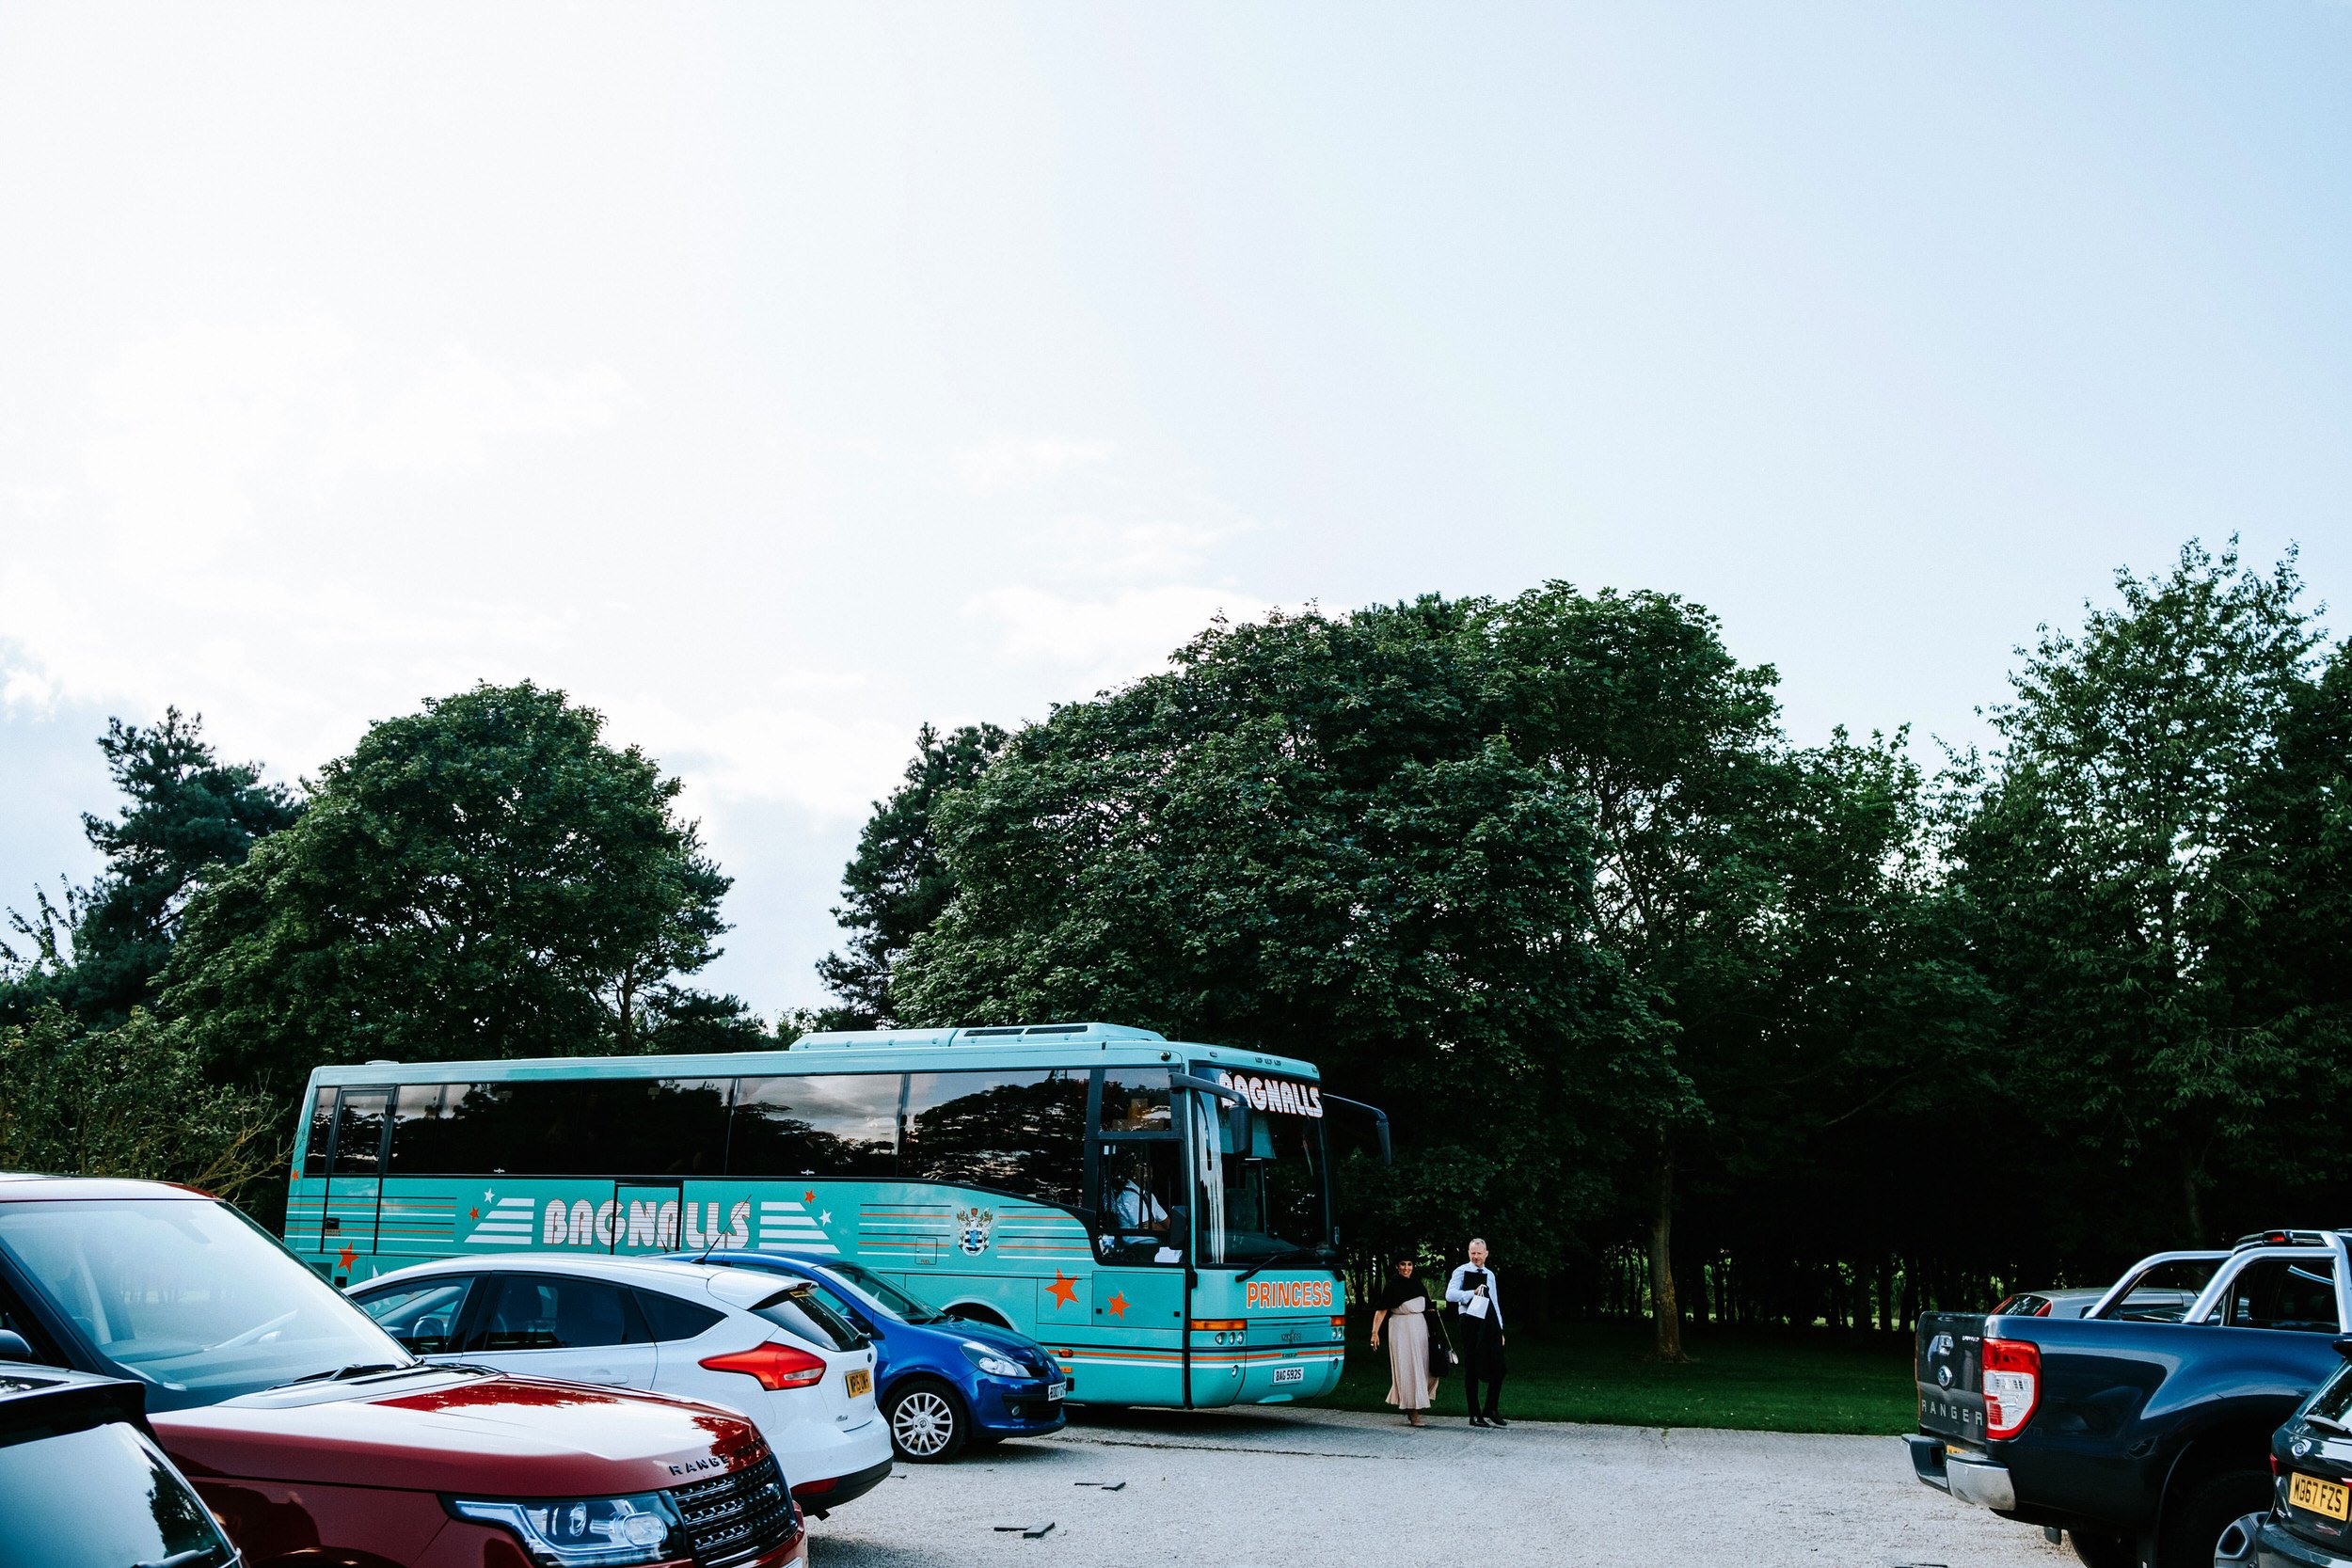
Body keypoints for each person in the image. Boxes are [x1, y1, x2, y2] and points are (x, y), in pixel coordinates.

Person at [1367, 1253, 1438, 1425]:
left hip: (1420, 1327)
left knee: (1426, 1367)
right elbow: (1382, 1310)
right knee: (1408, 1368)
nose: (1406, 1268)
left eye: (1409, 1264)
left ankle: (1415, 1400)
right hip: (1401, 1328)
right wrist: (1374, 1332)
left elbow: (1427, 1307)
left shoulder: (1417, 1284)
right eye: (1403, 1264)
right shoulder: (1393, 1286)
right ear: (1397, 1266)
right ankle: (1413, 1411)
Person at [1445, 1237, 1506, 1427]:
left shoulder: (1490, 1274)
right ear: (1468, 1253)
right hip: (1470, 1321)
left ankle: (1491, 1408)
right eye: (1473, 1253)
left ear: (1486, 1253)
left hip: (1489, 1322)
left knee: (1499, 1365)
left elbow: (1494, 1302)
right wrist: (1471, 1292)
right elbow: (1450, 1294)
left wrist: (1500, 1329)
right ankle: (1475, 1414)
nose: (1476, 1257)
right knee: (1472, 1366)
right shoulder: (1461, 1271)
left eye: (1479, 1253)